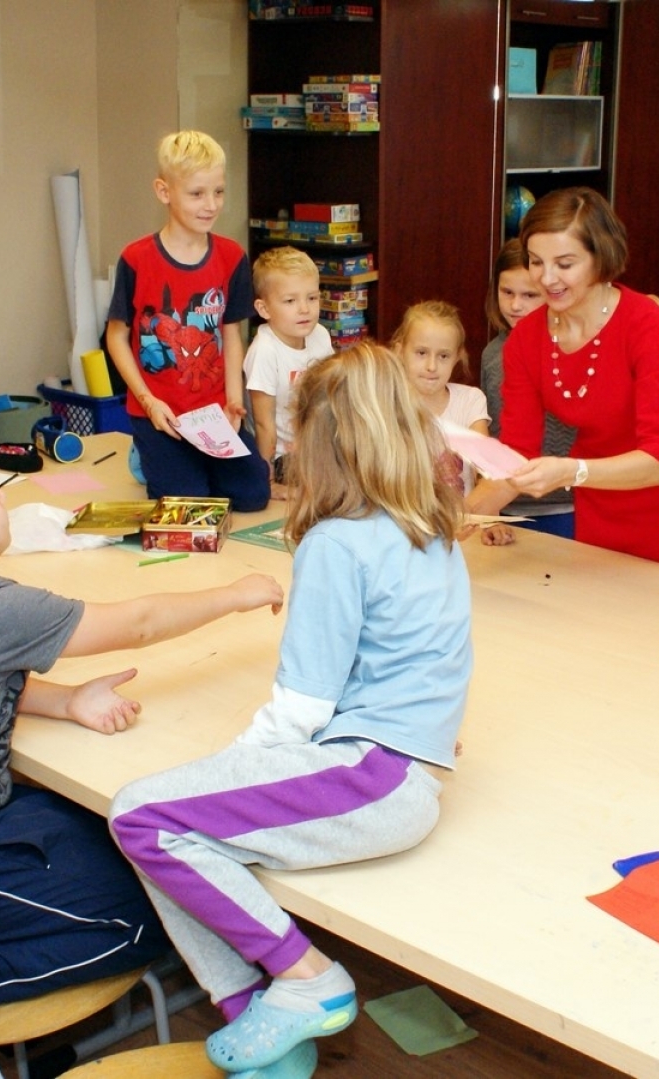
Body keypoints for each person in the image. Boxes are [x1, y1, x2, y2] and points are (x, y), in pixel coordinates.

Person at [110, 344, 472, 1079]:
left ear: (322, 443)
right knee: (173, 823)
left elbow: (300, 706)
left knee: (141, 817)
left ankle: (305, 978)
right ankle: (265, 1019)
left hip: (374, 775)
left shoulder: (338, 543)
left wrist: (233, 764)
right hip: (403, 770)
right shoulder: (428, 520)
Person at [0, 433, 285, 1008]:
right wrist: (235, 593)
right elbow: (143, 622)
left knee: (133, 850)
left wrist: (64, 700)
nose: (5, 502)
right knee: (157, 917)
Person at [471, 187, 659, 571]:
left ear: (600, 258)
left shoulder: (646, 326)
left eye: (565, 264)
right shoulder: (525, 340)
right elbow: (516, 456)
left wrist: (572, 471)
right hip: (600, 497)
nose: (547, 278)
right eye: (536, 261)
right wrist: (459, 519)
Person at [105, 130, 269, 511]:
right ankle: (145, 456)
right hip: (160, 413)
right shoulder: (136, 258)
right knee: (189, 504)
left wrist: (232, 401)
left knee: (252, 496)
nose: (210, 205)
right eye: (197, 194)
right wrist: (147, 403)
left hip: (212, 413)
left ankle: (191, 461)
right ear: (164, 192)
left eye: (219, 192)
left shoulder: (231, 257)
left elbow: (231, 334)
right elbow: (116, 337)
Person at [478, 239, 573, 538]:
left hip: (565, 504)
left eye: (529, 295)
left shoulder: (569, 348)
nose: (515, 305)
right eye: (507, 293)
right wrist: (488, 513)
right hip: (506, 505)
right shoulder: (492, 354)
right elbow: (492, 434)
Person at [244, 246, 334, 500]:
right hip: (284, 454)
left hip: (318, 445)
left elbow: (330, 399)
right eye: (290, 301)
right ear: (264, 309)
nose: (304, 309)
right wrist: (267, 482)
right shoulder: (264, 351)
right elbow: (264, 424)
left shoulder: (320, 336)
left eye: (312, 298)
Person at [394, 300, 489, 490]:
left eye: (443, 356)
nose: (432, 366)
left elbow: (485, 468)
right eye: (421, 353)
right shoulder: (387, 403)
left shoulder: (470, 401)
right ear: (400, 351)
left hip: (464, 516)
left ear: (457, 357)